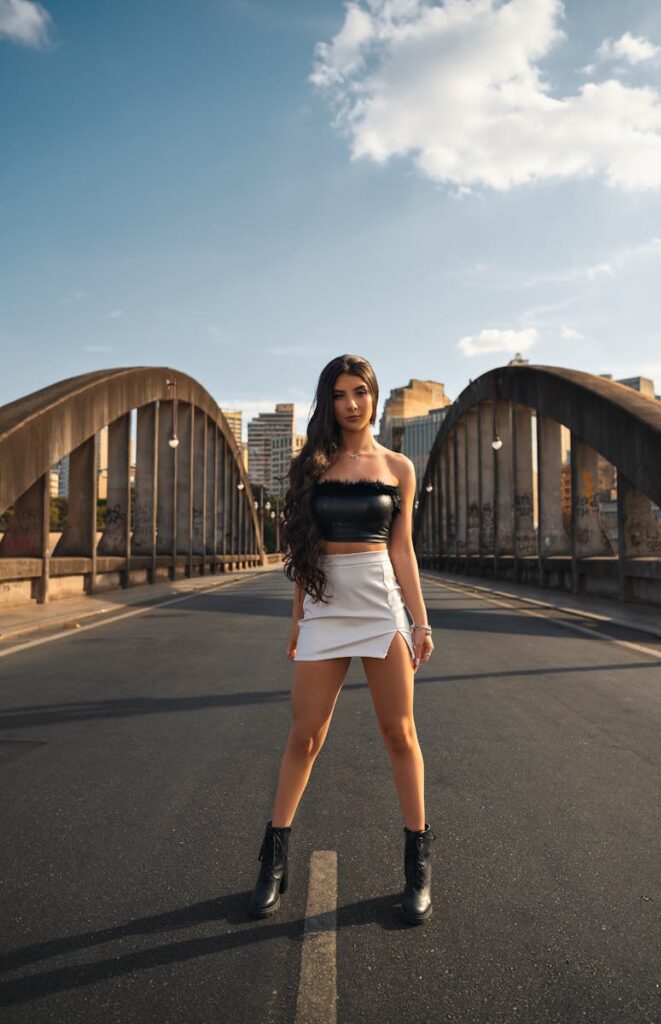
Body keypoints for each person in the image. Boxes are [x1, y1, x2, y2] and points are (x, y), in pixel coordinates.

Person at [248, 354, 436, 926]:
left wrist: (420, 621)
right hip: (325, 604)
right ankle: (273, 860)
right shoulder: (312, 465)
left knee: (399, 733)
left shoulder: (399, 467)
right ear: (328, 403)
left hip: (380, 603)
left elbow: (402, 549)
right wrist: (297, 619)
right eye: (339, 394)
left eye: (360, 392)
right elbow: (301, 548)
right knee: (305, 735)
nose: (351, 404)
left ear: (374, 396)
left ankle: (418, 863)